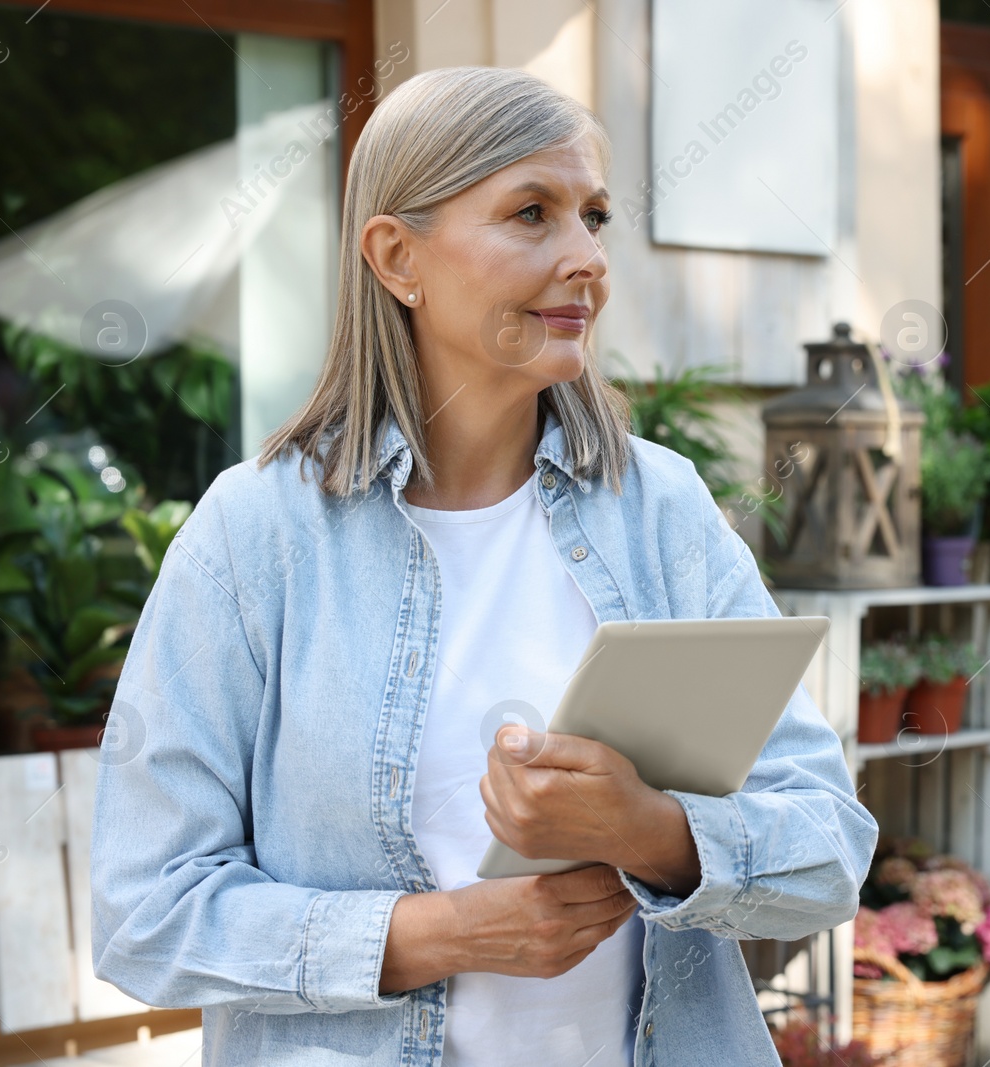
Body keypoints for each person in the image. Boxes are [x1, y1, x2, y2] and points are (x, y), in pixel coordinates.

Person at [89, 65, 877, 1067]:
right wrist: (445, 932)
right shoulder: (257, 535)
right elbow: (144, 910)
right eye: (531, 213)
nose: (586, 257)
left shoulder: (662, 510)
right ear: (395, 256)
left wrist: (650, 831)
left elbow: (829, 849)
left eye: (593, 216)